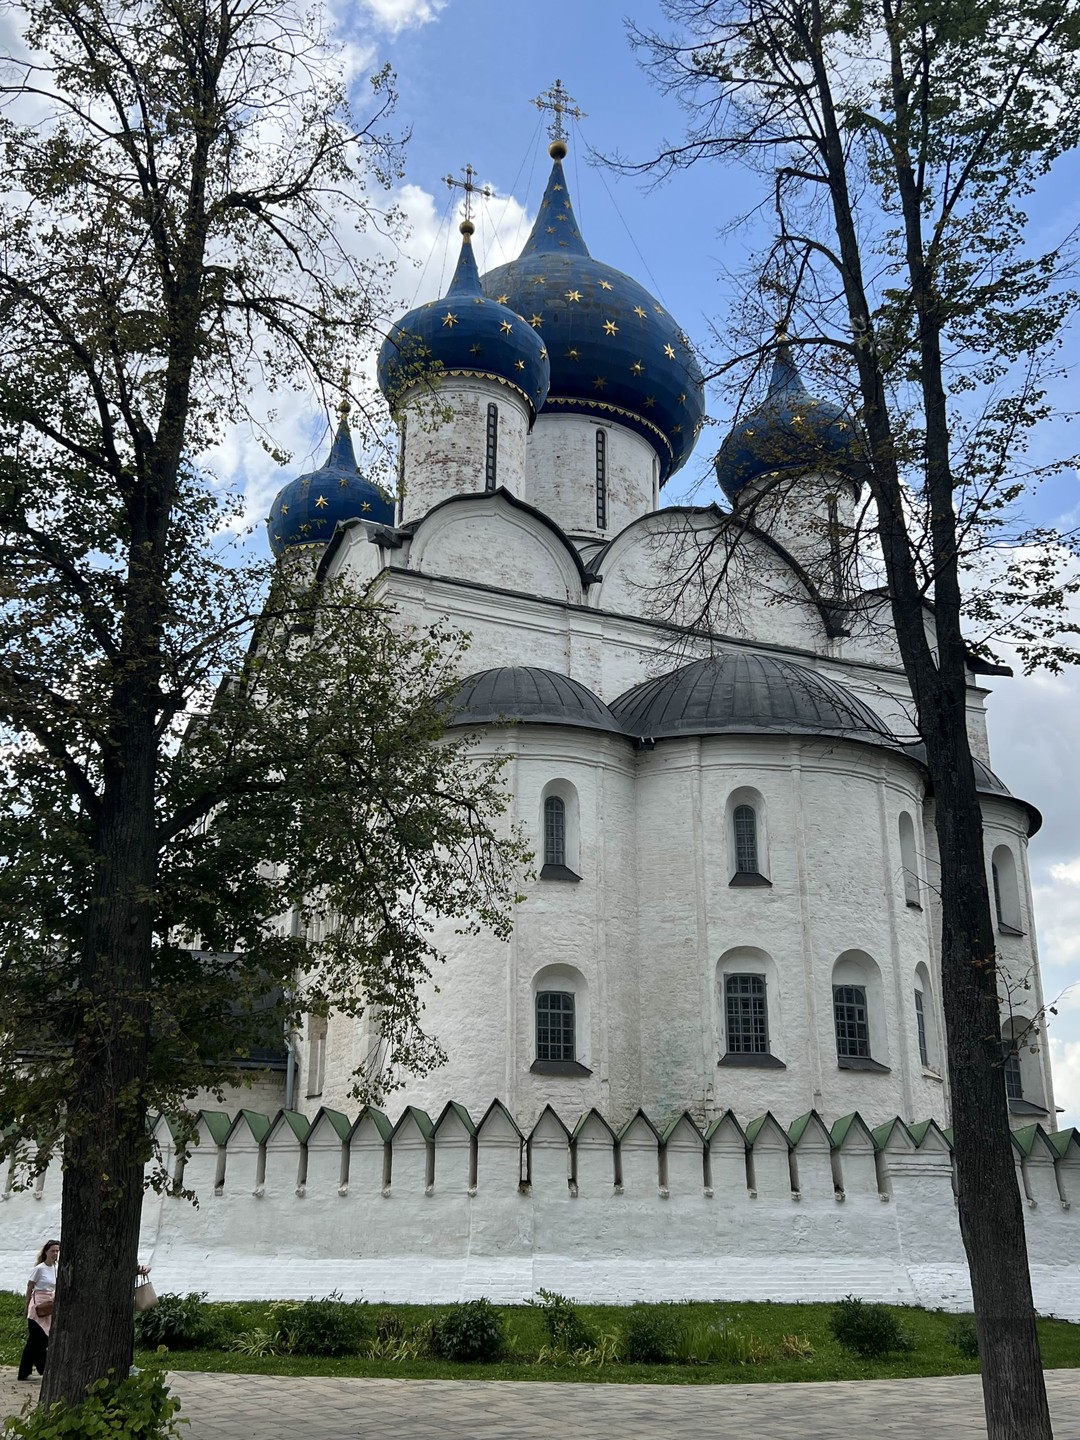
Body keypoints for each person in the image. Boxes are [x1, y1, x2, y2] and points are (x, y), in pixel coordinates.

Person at [17, 1239, 59, 1381]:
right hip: (38, 1305)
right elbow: (30, 1287)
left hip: (49, 1305)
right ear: (46, 1252)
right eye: (52, 1251)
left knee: (36, 1341)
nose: (55, 1254)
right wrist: (27, 1304)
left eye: (57, 1251)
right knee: (37, 1339)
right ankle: (43, 1368)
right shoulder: (39, 1269)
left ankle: (25, 1371)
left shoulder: (55, 1268)